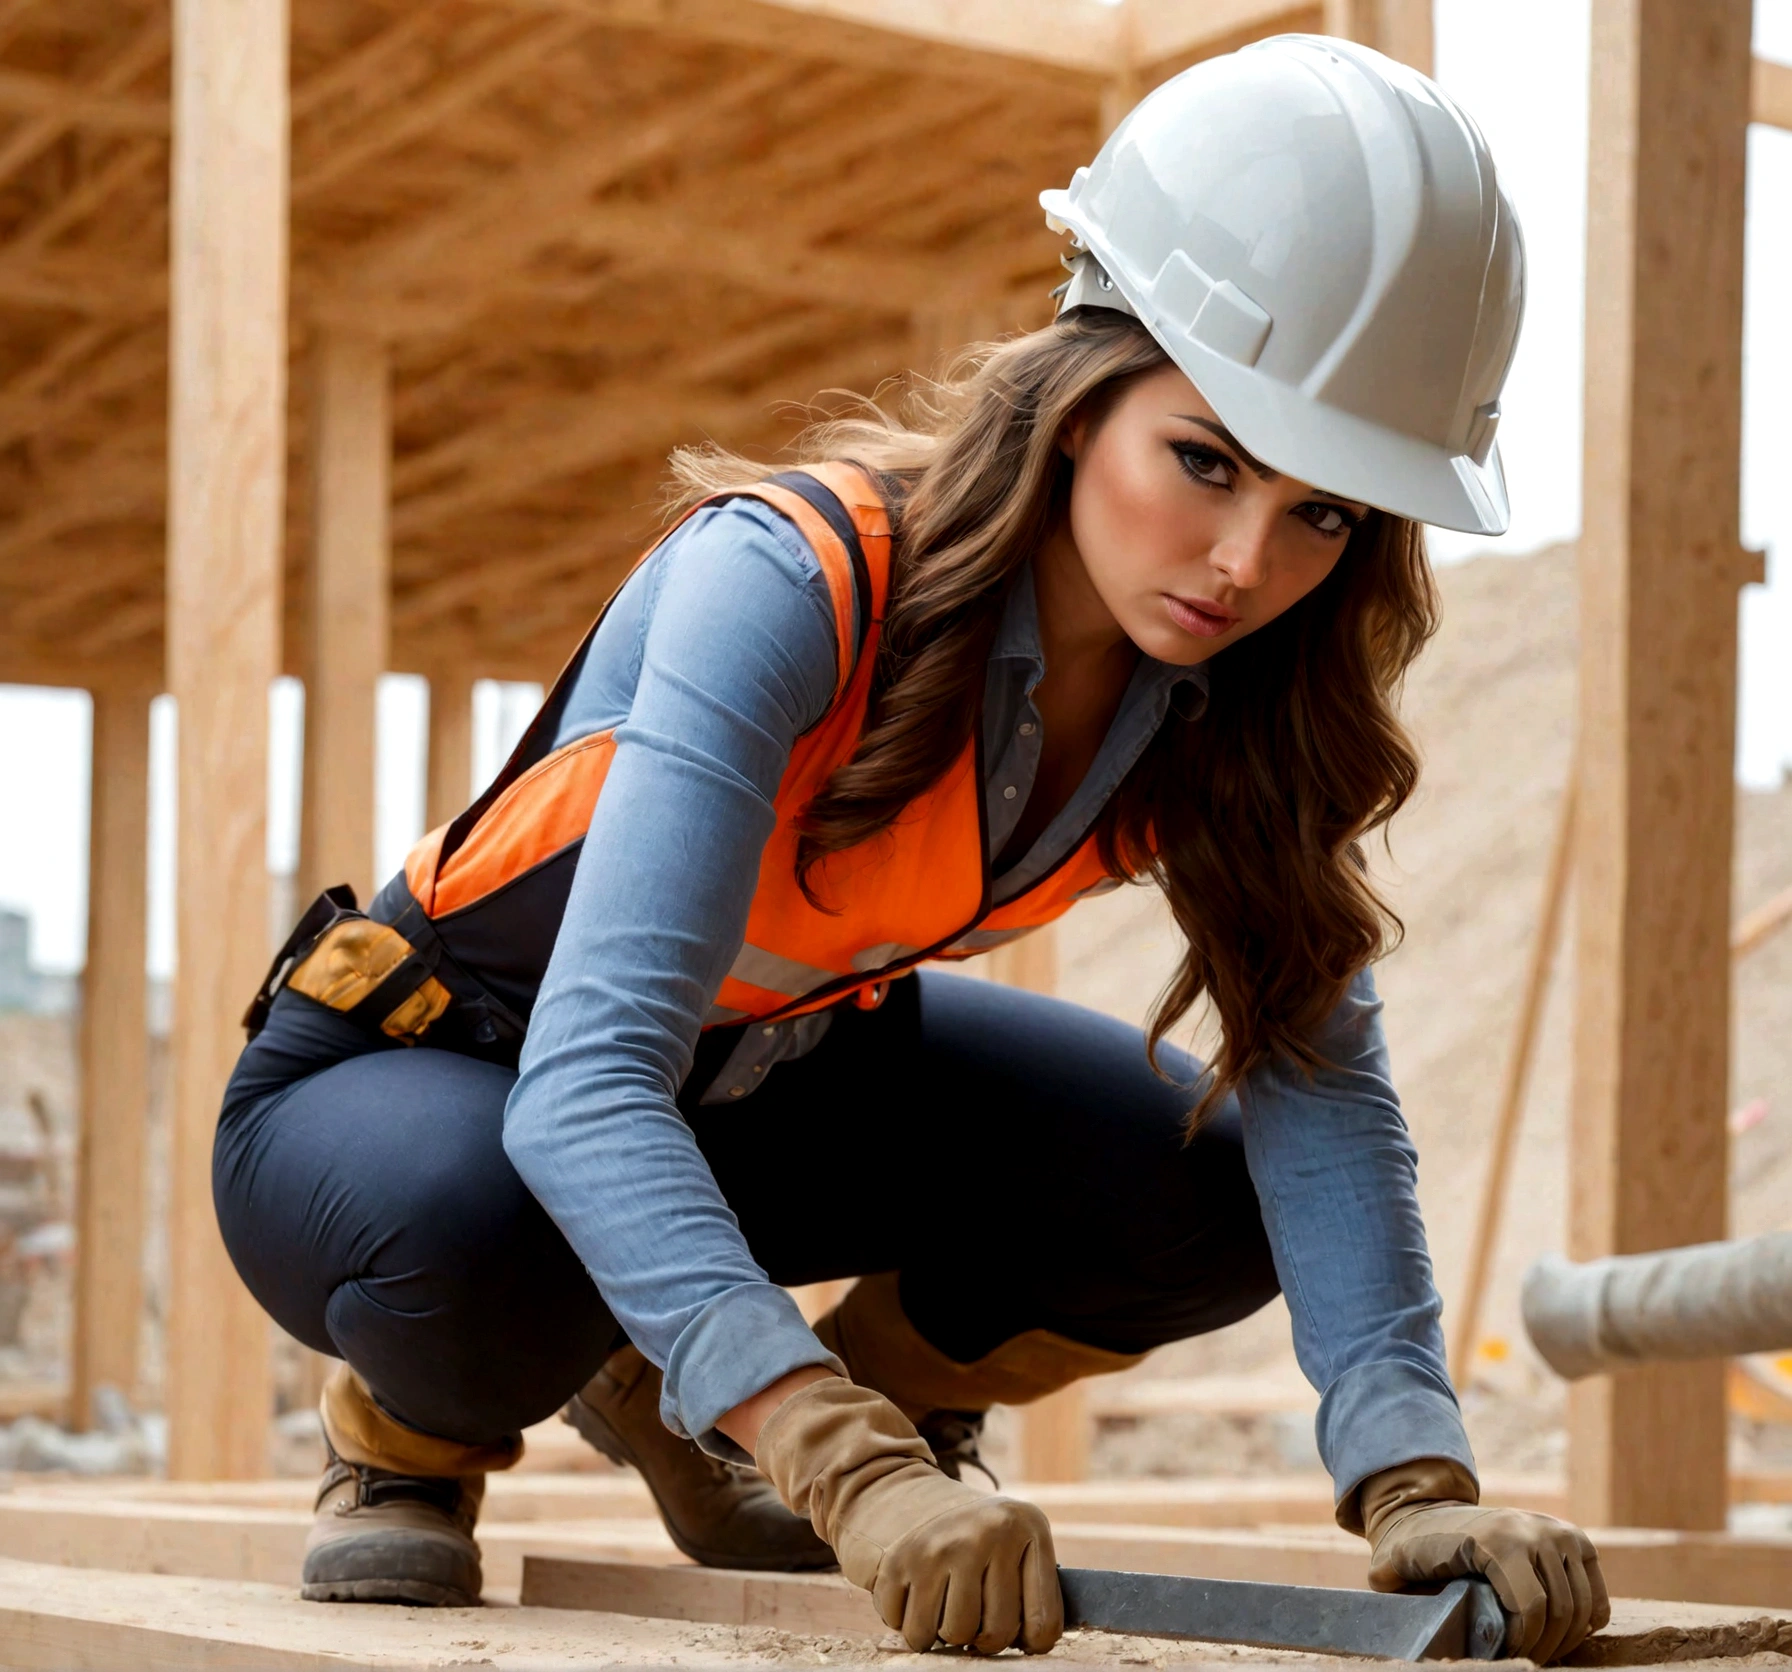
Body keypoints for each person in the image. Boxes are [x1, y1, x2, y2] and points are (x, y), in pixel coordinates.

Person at [215, 34, 1608, 1663]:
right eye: (1207, 460)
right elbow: (588, 1082)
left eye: (1327, 513)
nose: (1244, 562)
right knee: (494, 1235)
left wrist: (1412, 1478)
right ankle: (408, 1436)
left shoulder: (1227, 705)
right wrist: (844, 1473)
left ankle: (730, 1391)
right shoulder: (794, 583)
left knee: (1207, 1193)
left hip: (768, 1084)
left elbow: (1324, 1091)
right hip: (426, 1083)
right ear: (1083, 393)